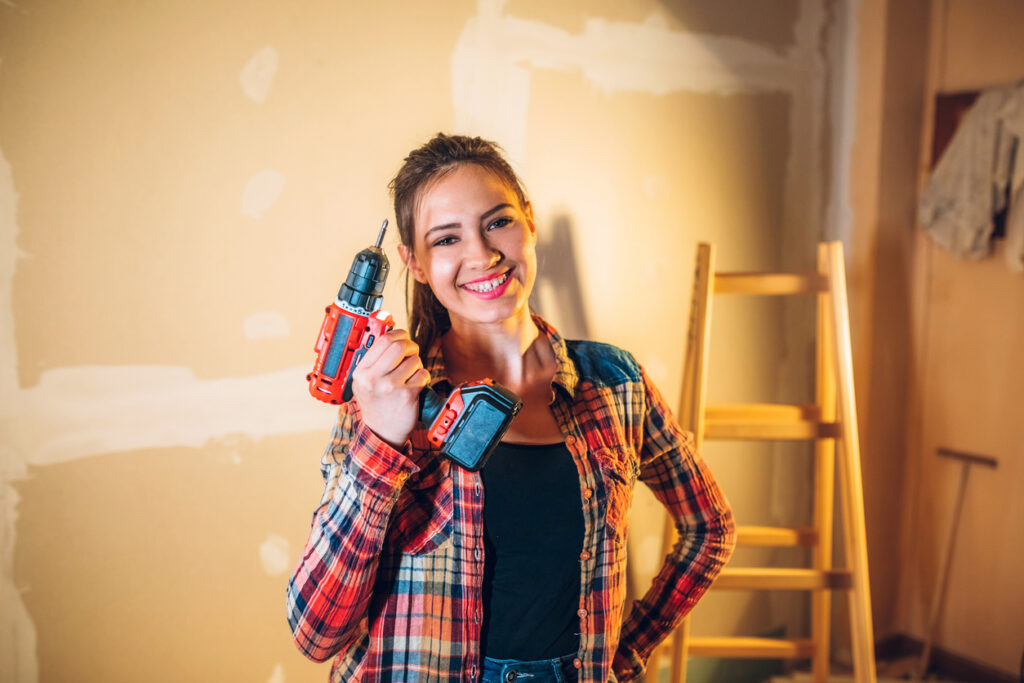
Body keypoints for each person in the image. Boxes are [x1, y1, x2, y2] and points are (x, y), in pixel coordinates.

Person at [287, 133, 736, 683]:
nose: (482, 254)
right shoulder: (385, 398)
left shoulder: (614, 384)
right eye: (446, 238)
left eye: (498, 222)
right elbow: (315, 633)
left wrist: (623, 655)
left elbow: (710, 528)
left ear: (529, 222)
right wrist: (381, 441)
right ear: (415, 263)